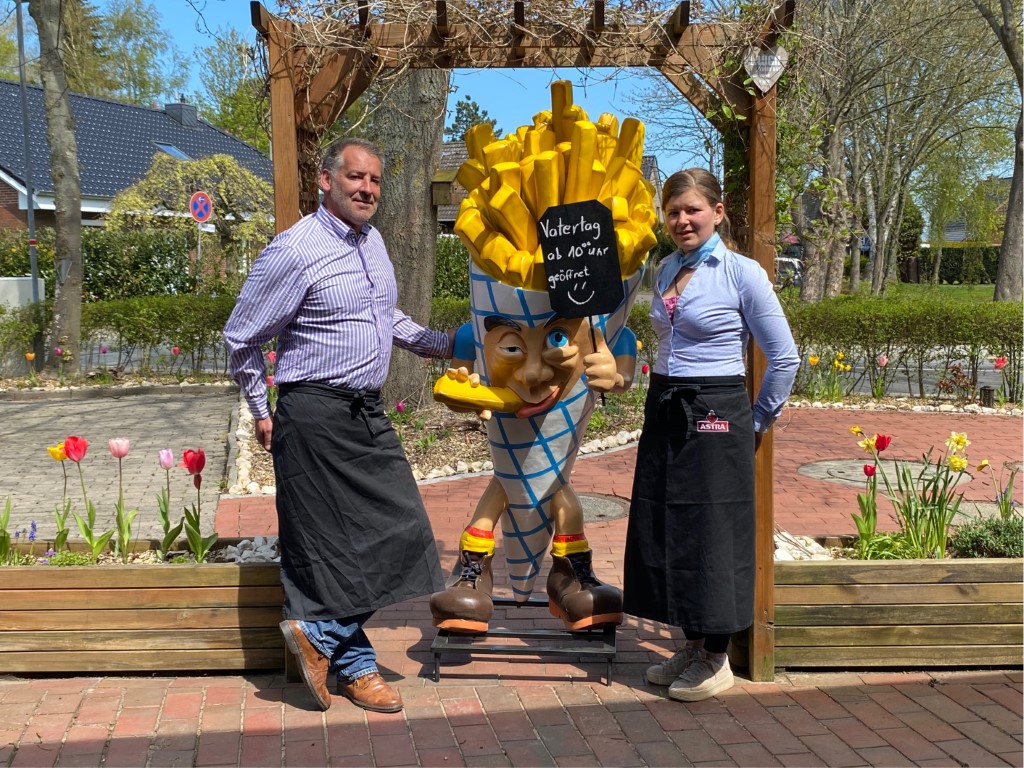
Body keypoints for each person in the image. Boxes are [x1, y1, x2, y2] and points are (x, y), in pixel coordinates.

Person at [224, 137, 452, 714]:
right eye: (355, 177)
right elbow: (241, 338)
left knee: (404, 533)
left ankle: (318, 636)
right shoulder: (295, 250)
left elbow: (386, 317)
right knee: (324, 547)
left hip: (365, 413)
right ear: (325, 181)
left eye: (374, 180)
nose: (367, 189)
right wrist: (261, 410)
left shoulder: (373, 243)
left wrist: (442, 344)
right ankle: (354, 665)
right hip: (315, 413)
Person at [623, 168, 799, 703]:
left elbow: (785, 358)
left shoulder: (742, 273)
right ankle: (692, 643)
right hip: (666, 403)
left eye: (692, 210)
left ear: (717, 213)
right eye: (673, 211)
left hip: (717, 407)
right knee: (666, 520)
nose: (681, 220)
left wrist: (755, 419)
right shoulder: (666, 268)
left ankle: (718, 655)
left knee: (713, 529)